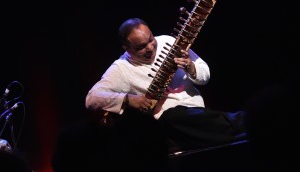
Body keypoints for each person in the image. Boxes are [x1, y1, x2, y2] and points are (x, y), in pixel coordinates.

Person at [85, 17, 247, 152]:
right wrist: (128, 99)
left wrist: (191, 67)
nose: (150, 48)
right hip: (171, 127)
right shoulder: (121, 68)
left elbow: (205, 76)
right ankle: (248, 121)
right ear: (126, 48)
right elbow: (92, 99)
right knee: (171, 116)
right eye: (141, 47)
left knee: (212, 130)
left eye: (150, 40)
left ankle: (247, 126)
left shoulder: (169, 42)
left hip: (198, 116)